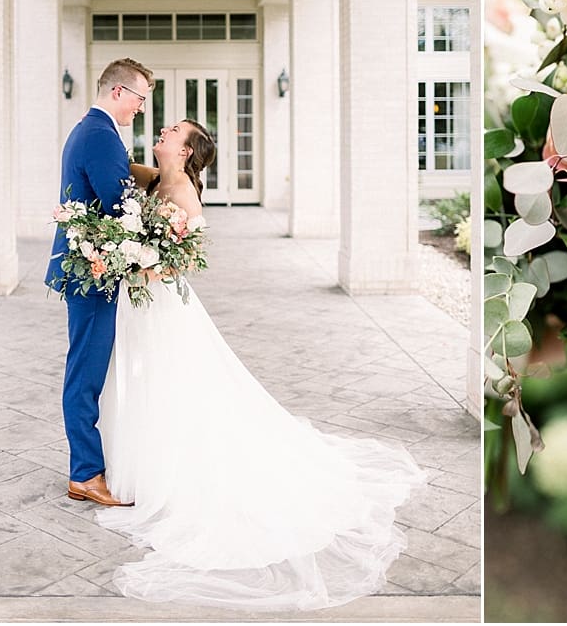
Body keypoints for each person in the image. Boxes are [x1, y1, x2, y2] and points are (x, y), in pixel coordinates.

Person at [92, 119, 426, 610]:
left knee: (173, 384)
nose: (161, 131)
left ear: (185, 153)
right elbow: (119, 168)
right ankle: (144, 464)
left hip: (160, 301)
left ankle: (172, 470)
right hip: (142, 304)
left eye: (172, 132)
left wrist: (138, 263)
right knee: (147, 382)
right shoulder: (156, 177)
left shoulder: (182, 191)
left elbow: (183, 258)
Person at [46, 58, 155, 508]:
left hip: (89, 270)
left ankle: (89, 467)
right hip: (91, 276)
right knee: (85, 376)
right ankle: (85, 474)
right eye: (140, 98)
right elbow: (119, 205)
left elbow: (119, 177)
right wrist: (157, 231)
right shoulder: (99, 135)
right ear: (118, 92)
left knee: (87, 370)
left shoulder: (92, 132)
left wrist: (157, 176)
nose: (142, 108)